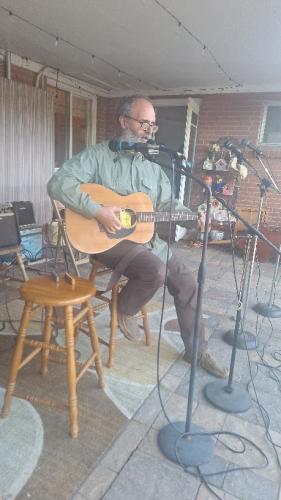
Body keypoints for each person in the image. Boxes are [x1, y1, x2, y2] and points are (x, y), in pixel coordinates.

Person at [47, 96, 228, 378]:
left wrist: (193, 217)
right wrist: (97, 210)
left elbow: (168, 206)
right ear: (123, 121)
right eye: (143, 122)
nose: (148, 130)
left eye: (152, 126)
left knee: (188, 281)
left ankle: (197, 350)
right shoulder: (98, 156)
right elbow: (58, 183)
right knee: (154, 270)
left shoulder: (153, 167)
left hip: (146, 241)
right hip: (107, 241)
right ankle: (125, 307)